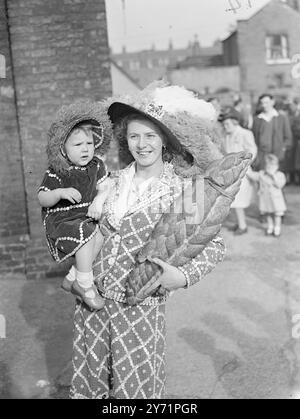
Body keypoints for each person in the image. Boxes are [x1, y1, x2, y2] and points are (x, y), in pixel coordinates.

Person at [69, 84, 251, 399]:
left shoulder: (182, 188)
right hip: (92, 302)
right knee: (91, 384)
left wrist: (179, 277)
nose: (142, 144)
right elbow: (91, 232)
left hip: (140, 306)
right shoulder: (111, 181)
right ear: (126, 139)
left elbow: (215, 245)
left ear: (164, 140)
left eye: (151, 136)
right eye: (135, 136)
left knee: (135, 389)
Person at [38, 102, 112, 310]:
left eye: (89, 143)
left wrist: (99, 199)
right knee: (86, 231)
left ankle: (73, 277)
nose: (85, 149)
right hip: (61, 218)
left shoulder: (96, 166)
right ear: (63, 149)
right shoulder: (58, 171)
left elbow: (104, 186)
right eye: (77, 145)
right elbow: (42, 198)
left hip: (84, 215)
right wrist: (59, 193)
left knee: (99, 234)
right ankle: (85, 284)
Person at [222, 108, 257, 235]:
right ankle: (239, 223)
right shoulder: (226, 136)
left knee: (239, 199)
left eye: (228, 124)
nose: (225, 127)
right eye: (224, 125)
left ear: (235, 123)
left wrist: (244, 163)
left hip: (243, 171)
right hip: (231, 172)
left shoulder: (245, 133)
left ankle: (243, 226)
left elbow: (252, 150)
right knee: (233, 199)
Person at [247, 154, 287, 237]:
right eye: (268, 165)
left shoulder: (280, 175)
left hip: (276, 200)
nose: (270, 167)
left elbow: (280, 185)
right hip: (265, 200)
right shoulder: (262, 174)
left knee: (277, 215)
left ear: (277, 166)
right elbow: (253, 176)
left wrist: (273, 175)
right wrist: (247, 169)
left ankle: (277, 228)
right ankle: (270, 226)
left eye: (272, 165)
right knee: (268, 214)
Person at [252, 93, 292, 170]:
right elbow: (254, 138)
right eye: (262, 103)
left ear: (272, 102)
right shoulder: (257, 119)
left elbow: (288, 138)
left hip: (277, 157)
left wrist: (282, 150)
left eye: (266, 102)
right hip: (262, 156)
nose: (264, 105)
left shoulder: (281, 118)